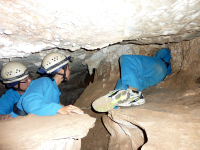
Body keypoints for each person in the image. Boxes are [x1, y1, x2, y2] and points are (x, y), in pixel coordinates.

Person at [92, 48, 172, 112]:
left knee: (127, 60)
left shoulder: (162, 56)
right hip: (158, 77)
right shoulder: (167, 69)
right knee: (125, 81)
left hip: (160, 64)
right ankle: (116, 102)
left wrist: (159, 55)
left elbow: (163, 52)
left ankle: (133, 92)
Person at [10, 52, 83, 117]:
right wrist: (59, 109)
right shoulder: (43, 81)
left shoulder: (53, 86)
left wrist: (65, 108)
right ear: (61, 70)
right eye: (68, 68)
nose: (70, 71)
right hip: (17, 122)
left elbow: (49, 102)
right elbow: (29, 102)